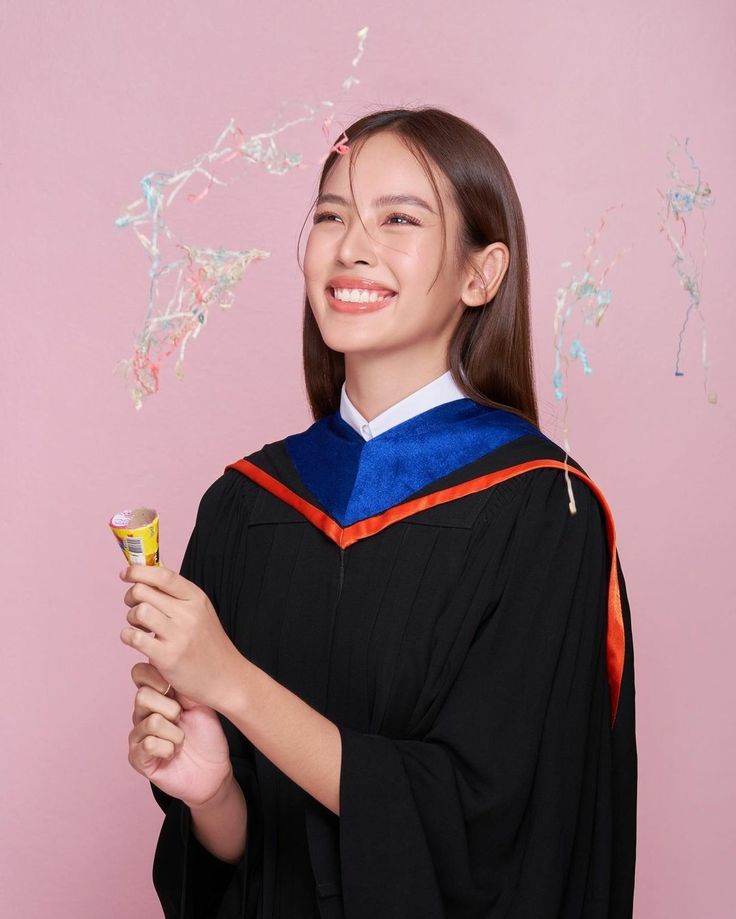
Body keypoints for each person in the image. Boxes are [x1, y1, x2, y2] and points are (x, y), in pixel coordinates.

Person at [120, 106, 637, 918]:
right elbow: (248, 867)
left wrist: (236, 684)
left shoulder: (543, 510)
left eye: (399, 218)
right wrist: (213, 792)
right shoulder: (246, 505)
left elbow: (492, 836)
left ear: (482, 274)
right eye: (330, 215)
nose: (350, 246)